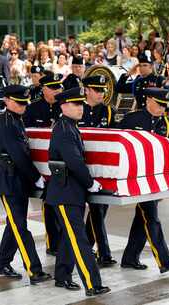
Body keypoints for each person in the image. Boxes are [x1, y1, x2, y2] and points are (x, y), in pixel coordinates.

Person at [46, 87, 110, 296]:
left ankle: (62, 276)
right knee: (79, 240)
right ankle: (93, 284)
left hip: (70, 192)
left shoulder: (69, 126)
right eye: (76, 104)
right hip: (65, 193)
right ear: (64, 106)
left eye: (81, 103)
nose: (80, 107)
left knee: (69, 236)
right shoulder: (65, 129)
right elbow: (74, 161)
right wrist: (91, 183)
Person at [0, 84, 52, 284]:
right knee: (20, 227)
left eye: (25, 102)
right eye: (19, 102)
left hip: (16, 179)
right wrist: (36, 177)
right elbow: (19, 156)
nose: (23, 106)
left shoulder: (15, 120)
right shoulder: (8, 123)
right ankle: (34, 270)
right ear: (7, 101)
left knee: (14, 224)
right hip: (9, 180)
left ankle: (2, 263)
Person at [119, 87, 169, 274]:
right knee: (151, 217)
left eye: (165, 106)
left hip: (155, 179)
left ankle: (130, 257)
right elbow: (119, 145)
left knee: (143, 217)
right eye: (159, 105)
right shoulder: (132, 119)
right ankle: (164, 260)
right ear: (149, 100)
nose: (162, 110)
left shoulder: (168, 124)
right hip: (135, 177)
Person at [23, 72, 63, 256]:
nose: (57, 91)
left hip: (61, 162)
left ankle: (63, 240)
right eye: (53, 88)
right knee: (49, 205)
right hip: (42, 164)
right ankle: (53, 243)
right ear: (43, 89)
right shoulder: (32, 110)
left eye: (58, 87)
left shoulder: (64, 107)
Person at [79, 75, 117, 267]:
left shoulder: (109, 112)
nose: (102, 93)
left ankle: (93, 250)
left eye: (103, 90)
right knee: (91, 211)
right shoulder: (77, 108)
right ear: (86, 90)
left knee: (99, 210)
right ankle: (101, 252)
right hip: (81, 168)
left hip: (102, 170)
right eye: (97, 90)